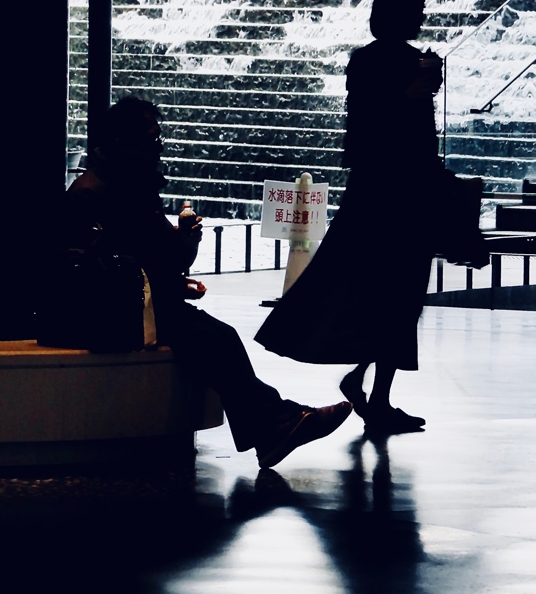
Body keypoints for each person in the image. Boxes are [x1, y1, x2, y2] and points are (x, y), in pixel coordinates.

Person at [255, 0, 487, 437]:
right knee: (399, 297)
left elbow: (362, 135)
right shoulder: (401, 66)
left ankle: (370, 388)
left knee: (383, 294)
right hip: (399, 198)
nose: (422, 15)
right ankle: (373, 393)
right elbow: (396, 131)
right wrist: (414, 96)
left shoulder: (369, 62)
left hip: (380, 194)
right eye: (416, 7)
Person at [63, 96, 352, 468]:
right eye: (151, 141)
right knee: (211, 337)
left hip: (135, 304)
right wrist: (169, 265)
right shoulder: (99, 194)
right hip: (106, 315)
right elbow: (97, 270)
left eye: (158, 140)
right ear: (122, 143)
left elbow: (153, 257)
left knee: (218, 335)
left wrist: (179, 252)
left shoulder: (125, 185)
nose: (158, 149)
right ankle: (275, 424)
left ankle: (273, 426)